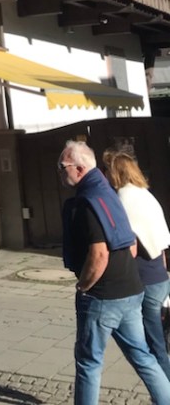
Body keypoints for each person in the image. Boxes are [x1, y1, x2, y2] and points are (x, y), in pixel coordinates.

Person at [58, 139, 170, 405]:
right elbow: (131, 245)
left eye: (62, 167)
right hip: (132, 289)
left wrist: (84, 286)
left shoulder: (89, 201)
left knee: (88, 362)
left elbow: (99, 255)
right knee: (142, 355)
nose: (60, 172)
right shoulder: (112, 194)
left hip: (103, 296)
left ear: (79, 168)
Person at [103, 148, 170, 379]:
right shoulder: (145, 195)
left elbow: (125, 244)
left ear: (116, 172)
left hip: (145, 279)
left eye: (107, 170)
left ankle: (165, 391)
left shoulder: (124, 199)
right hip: (159, 276)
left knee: (153, 346)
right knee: (157, 342)